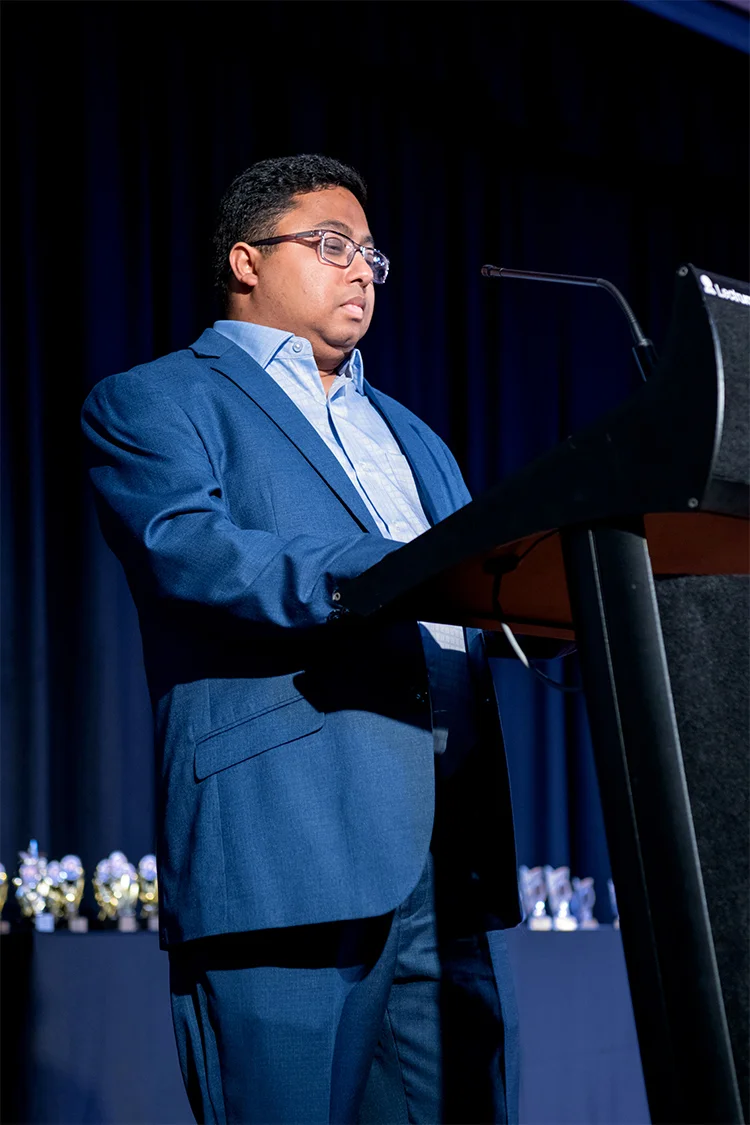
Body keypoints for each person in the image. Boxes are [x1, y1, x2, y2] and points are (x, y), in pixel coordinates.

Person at [81, 154, 522, 1125]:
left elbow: (473, 598)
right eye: (331, 245)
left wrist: (554, 607)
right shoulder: (154, 398)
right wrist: (396, 568)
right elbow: (188, 549)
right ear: (246, 259)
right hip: (287, 843)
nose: (362, 269)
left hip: (445, 848)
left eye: (372, 255)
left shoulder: (413, 433)